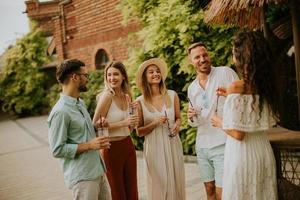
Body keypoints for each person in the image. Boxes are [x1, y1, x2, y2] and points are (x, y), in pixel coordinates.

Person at [211, 31, 279, 200]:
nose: (233, 56)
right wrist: (230, 96)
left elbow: (238, 134)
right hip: (263, 151)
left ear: (242, 56)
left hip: (243, 154)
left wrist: (219, 122)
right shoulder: (266, 85)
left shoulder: (236, 86)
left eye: (234, 52)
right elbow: (252, 109)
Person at [47, 59, 111, 200]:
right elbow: (57, 149)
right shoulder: (60, 112)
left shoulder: (80, 103)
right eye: (85, 75)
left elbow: (82, 134)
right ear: (75, 77)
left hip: (98, 170)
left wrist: (96, 127)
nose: (88, 79)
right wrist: (89, 145)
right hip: (83, 178)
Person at [187, 42, 239, 200]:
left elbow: (240, 101)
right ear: (191, 61)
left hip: (223, 143)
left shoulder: (225, 73)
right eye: (197, 57)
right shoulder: (192, 88)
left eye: (205, 55)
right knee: (209, 190)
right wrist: (191, 117)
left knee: (222, 193)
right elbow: (196, 122)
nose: (202, 59)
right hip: (202, 146)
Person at [135, 58, 186, 200]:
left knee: (175, 182)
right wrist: (155, 123)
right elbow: (139, 132)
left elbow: (178, 118)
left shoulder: (172, 95)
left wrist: (177, 125)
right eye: (151, 72)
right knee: (159, 185)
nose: (156, 74)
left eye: (157, 71)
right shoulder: (139, 102)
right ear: (145, 77)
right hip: (154, 148)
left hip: (172, 144)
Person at [93, 61, 139, 200]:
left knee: (132, 188)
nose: (112, 78)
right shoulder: (107, 96)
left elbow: (130, 127)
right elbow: (95, 123)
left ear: (123, 76)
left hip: (128, 145)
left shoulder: (127, 97)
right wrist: (123, 123)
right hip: (111, 149)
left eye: (116, 74)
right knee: (117, 192)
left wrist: (134, 117)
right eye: (109, 75)